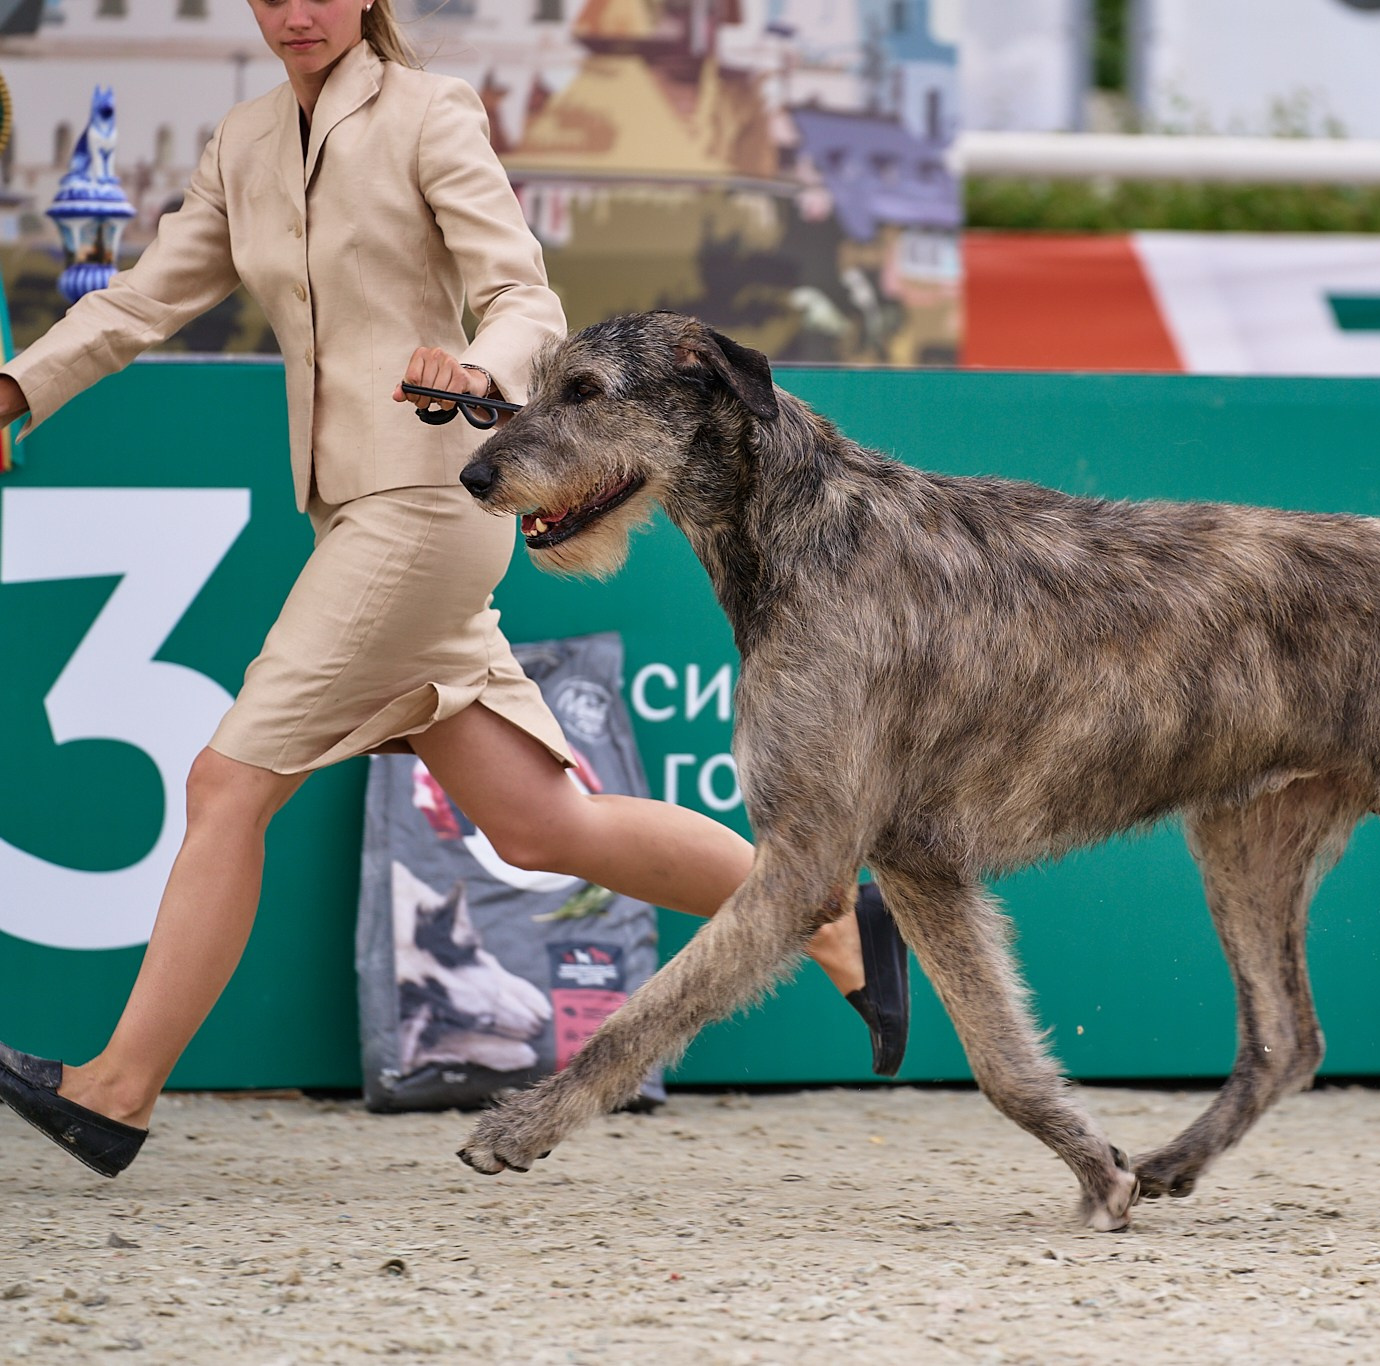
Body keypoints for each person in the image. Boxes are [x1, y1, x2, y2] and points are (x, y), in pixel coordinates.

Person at [0, 0, 909, 1180]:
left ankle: (116, 1092)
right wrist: (18, 390)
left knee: (226, 784)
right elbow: (139, 302)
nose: (293, 12)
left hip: (426, 509)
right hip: (356, 516)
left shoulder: (431, 115)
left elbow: (521, 291)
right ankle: (832, 910)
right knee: (542, 827)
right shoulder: (245, 143)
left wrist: (478, 368)